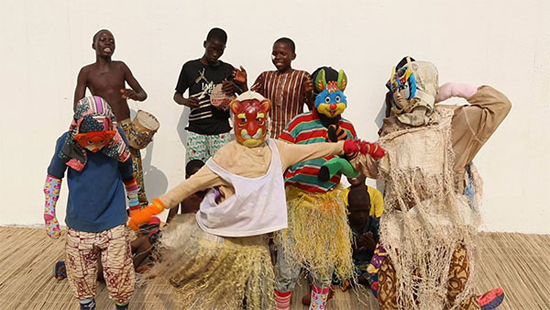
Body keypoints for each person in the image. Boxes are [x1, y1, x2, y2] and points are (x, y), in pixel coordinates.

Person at [127, 91, 376, 309]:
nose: (251, 129)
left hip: (258, 246)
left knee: (262, 293)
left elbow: (315, 150)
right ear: (235, 120)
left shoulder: (278, 150)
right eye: (244, 121)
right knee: (226, 296)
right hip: (226, 241)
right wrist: (153, 208)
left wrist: (350, 145)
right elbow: (191, 184)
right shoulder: (226, 155)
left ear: (266, 119)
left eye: (258, 120)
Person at [349, 59, 510, 309]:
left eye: (406, 86)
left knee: (456, 294)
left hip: (444, 230)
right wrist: (349, 152)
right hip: (401, 234)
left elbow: (500, 105)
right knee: (392, 298)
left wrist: (456, 89)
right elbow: (373, 166)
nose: (399, 94)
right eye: (396, 87)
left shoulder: (452, 126)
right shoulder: (393, 132)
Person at [274, 68, 385, 310]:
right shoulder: (298, 124)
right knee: (287, 270)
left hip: (328, 208)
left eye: (338, 95)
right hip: (297, 206)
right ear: (314, 93)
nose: (332, 104)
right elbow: (279, 158)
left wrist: (346, 151)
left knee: (323, 272)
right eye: (324, 93)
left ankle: (318, 307)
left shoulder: (347, 127)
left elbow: (355, 168)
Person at [44, 96, 136, 310]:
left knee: (119, 273)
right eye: (89, 140)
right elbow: (53, 178)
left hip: (113, 224)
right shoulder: (66, 143)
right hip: (79, 227)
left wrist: (136, 207)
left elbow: (129, 175)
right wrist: (49, 214)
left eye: (101, 140)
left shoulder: (118, 140)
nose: (95, 146)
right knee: (81, 276)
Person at [73, 29, 149, 208]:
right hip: (103, 130)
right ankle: (109, 214)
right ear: (94, 45)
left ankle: (140, 214)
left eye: (111, 41)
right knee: (106, 171)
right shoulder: (86, 72)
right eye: (103, 40)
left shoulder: (121, 67)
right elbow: (78, 105)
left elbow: (142, 93)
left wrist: (135, 95)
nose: (108, 43)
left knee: (134, 171)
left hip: (126, 126)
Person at [173, 27, 244, 163]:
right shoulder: (190, 67)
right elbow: (177, 95)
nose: (215, 54)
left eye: (220, 50)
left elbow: (243, 100)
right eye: (212, 48)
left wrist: (235, 87)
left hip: (221, 131)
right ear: (205, 44)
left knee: (222, 174)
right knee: (195, 174)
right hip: (196, 131)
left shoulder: (228, 69)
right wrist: (185, 101)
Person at [233, 37, 314, 138]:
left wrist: (309, 94)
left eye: (283, 54)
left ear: (293, 56)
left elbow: (313, 109)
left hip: (294, 135)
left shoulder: (302, 77)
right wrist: (244, 84)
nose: (278, 57)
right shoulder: (265, 77)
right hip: (268, 135)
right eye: (274, 54)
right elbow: (250, 104)